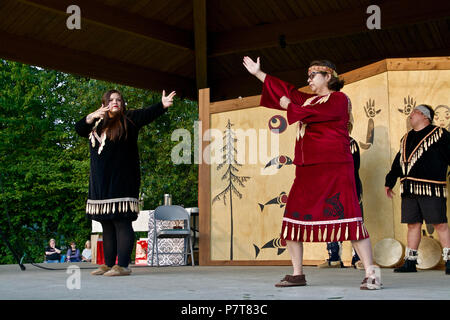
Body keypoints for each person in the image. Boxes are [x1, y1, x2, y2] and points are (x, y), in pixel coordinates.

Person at [243, 56, 381, 290]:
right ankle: (298, 274)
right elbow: (285, 91)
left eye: (313, 75)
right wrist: (259, 74)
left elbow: (307, 113)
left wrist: (288, 105)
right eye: (307, 76)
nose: (308, 80)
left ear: (329, 76)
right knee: (292, 218)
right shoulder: (308, 100)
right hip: (307, 170)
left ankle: (372, 275)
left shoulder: (338, 99)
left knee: (350, 219)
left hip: (334, 168)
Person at [75, 89, 175, 276]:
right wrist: (90, 116)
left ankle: (122, 265)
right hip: (100, 183)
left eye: (118, 99)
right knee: (107, 223)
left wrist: (162, 105)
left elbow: (147, 113)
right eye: (111, 99)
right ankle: (108, 264)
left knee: (121, 222)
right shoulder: (96, 123)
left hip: (122, 180)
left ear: (123, 103)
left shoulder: (129, 119)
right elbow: (79, 129)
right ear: (104, 103)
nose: (115, 102)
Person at [385, 104, 450, 275]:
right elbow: (398, 163)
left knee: (439, 223)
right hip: (408, 187)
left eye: (415, 112)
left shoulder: (441, 134)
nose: (411, 115)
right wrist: (389, 181)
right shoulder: (405, 138)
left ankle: (449, 260)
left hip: (431, 186)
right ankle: (410, 262)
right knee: (413, 224)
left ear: (425, 116)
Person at [318, 123, 364, 270]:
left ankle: (358, 258)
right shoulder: (325, 146)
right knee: (331, 222)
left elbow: (352, 167)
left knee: (353, 221)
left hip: (348, 187)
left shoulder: (351, 144)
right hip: (330, 189)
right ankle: (334, 258)